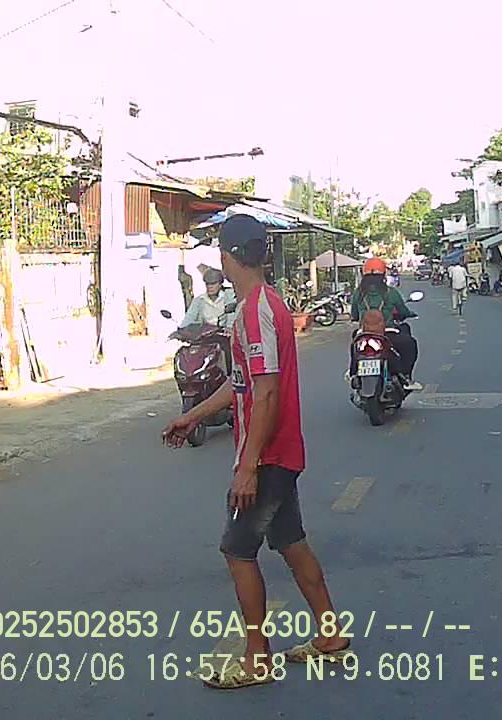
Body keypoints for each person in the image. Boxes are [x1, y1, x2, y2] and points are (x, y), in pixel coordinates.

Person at [161, 215, 351, 691]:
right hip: (276, 453)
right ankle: (329, 634)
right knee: (291, 541)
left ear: (228, 257)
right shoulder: (262, 306)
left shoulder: (256, 312)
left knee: (237, 550)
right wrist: (193, 416)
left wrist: (247, 467)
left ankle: (256, 658)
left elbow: (265, 394)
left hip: (268, 455)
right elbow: (242, 383)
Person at [350, 257, 421, 390]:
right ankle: (406, 377)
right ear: (383, 274)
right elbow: (403, 310)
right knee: (410, 344)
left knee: (354, 344)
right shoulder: (391, 292)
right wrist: (409, 313)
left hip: (364, 333)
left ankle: (353, 373)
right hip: (387, 333)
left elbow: (354, 314)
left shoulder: (358, 293)